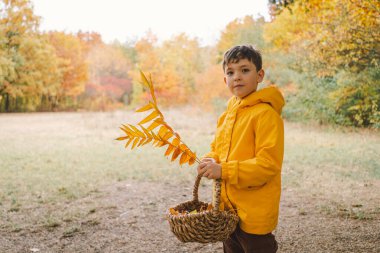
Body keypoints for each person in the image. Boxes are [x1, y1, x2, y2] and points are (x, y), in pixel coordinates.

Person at [197, 45, 285, 253]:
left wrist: (224, 170)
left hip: (254, 211)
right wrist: (210, 160)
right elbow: (217, 148)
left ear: (259, 75)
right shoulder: (228, 113)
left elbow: (267, 165)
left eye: (245, 70)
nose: (237, 77)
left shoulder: (265, 114)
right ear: (224, 79)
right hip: (227, 210)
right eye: (230, 72)